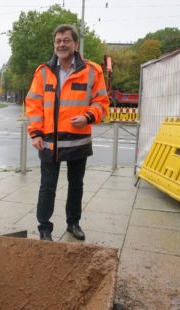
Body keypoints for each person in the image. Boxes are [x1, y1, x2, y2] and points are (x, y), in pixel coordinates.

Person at [25, 24, 110, 241]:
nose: (62, 44)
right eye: (58, 41)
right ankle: (44, 228)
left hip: (77, 141)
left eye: (66, 40)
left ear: (75, 44)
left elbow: (101, 101)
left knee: (76, 186)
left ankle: (73, 223)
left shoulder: (92, 71)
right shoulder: (43, 72)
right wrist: (35, 133)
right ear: (54, 44)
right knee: (47, 187)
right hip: (49, 142)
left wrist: (88, 117)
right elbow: (33, 104)